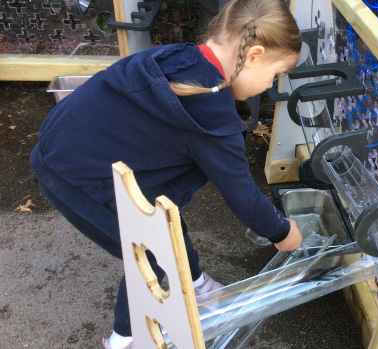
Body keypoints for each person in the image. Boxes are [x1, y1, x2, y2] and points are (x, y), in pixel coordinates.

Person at [29, 0, 303, 348]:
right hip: (77, 181)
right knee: (149, 252)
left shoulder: (177, 57)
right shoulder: (212, 119)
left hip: (60, 146)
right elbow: (244, 198)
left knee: (166, 224)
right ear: (253, 55)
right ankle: (126, 339)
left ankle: (196, 285)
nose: (268, 85)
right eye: (274, 74)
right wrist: (281, 230)